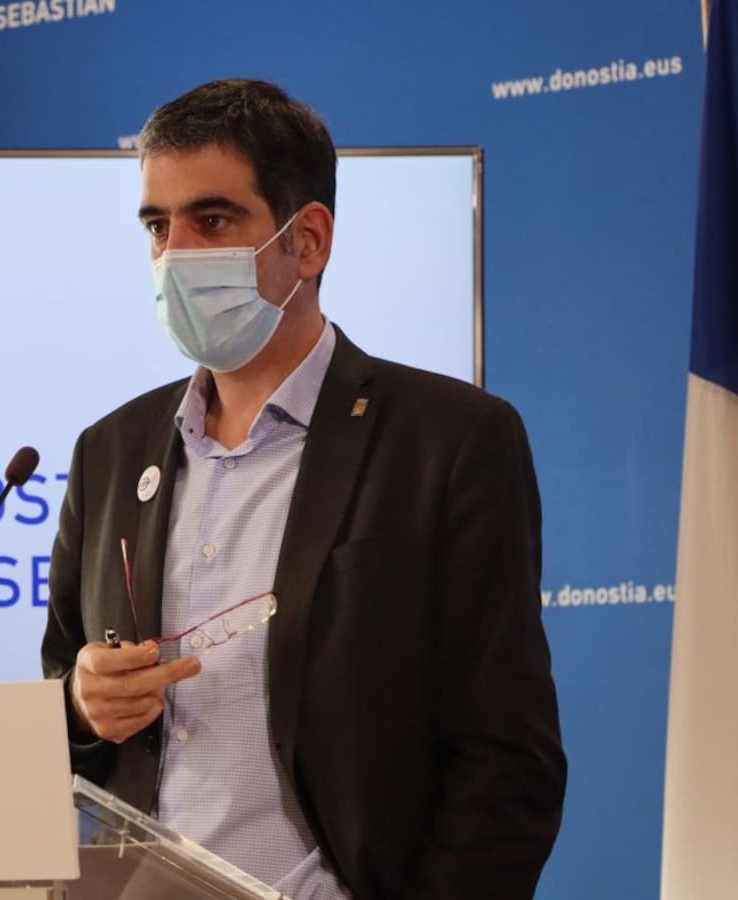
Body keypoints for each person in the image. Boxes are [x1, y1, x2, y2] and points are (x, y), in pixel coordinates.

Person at [41, 79, 566, 900]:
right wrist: (80, 705)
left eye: (212, 220)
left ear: (309, 240)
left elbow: (507, 760)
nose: (175, 254)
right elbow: (62, 696)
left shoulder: (451, 441)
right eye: (157, 226)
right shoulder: (109, 451)